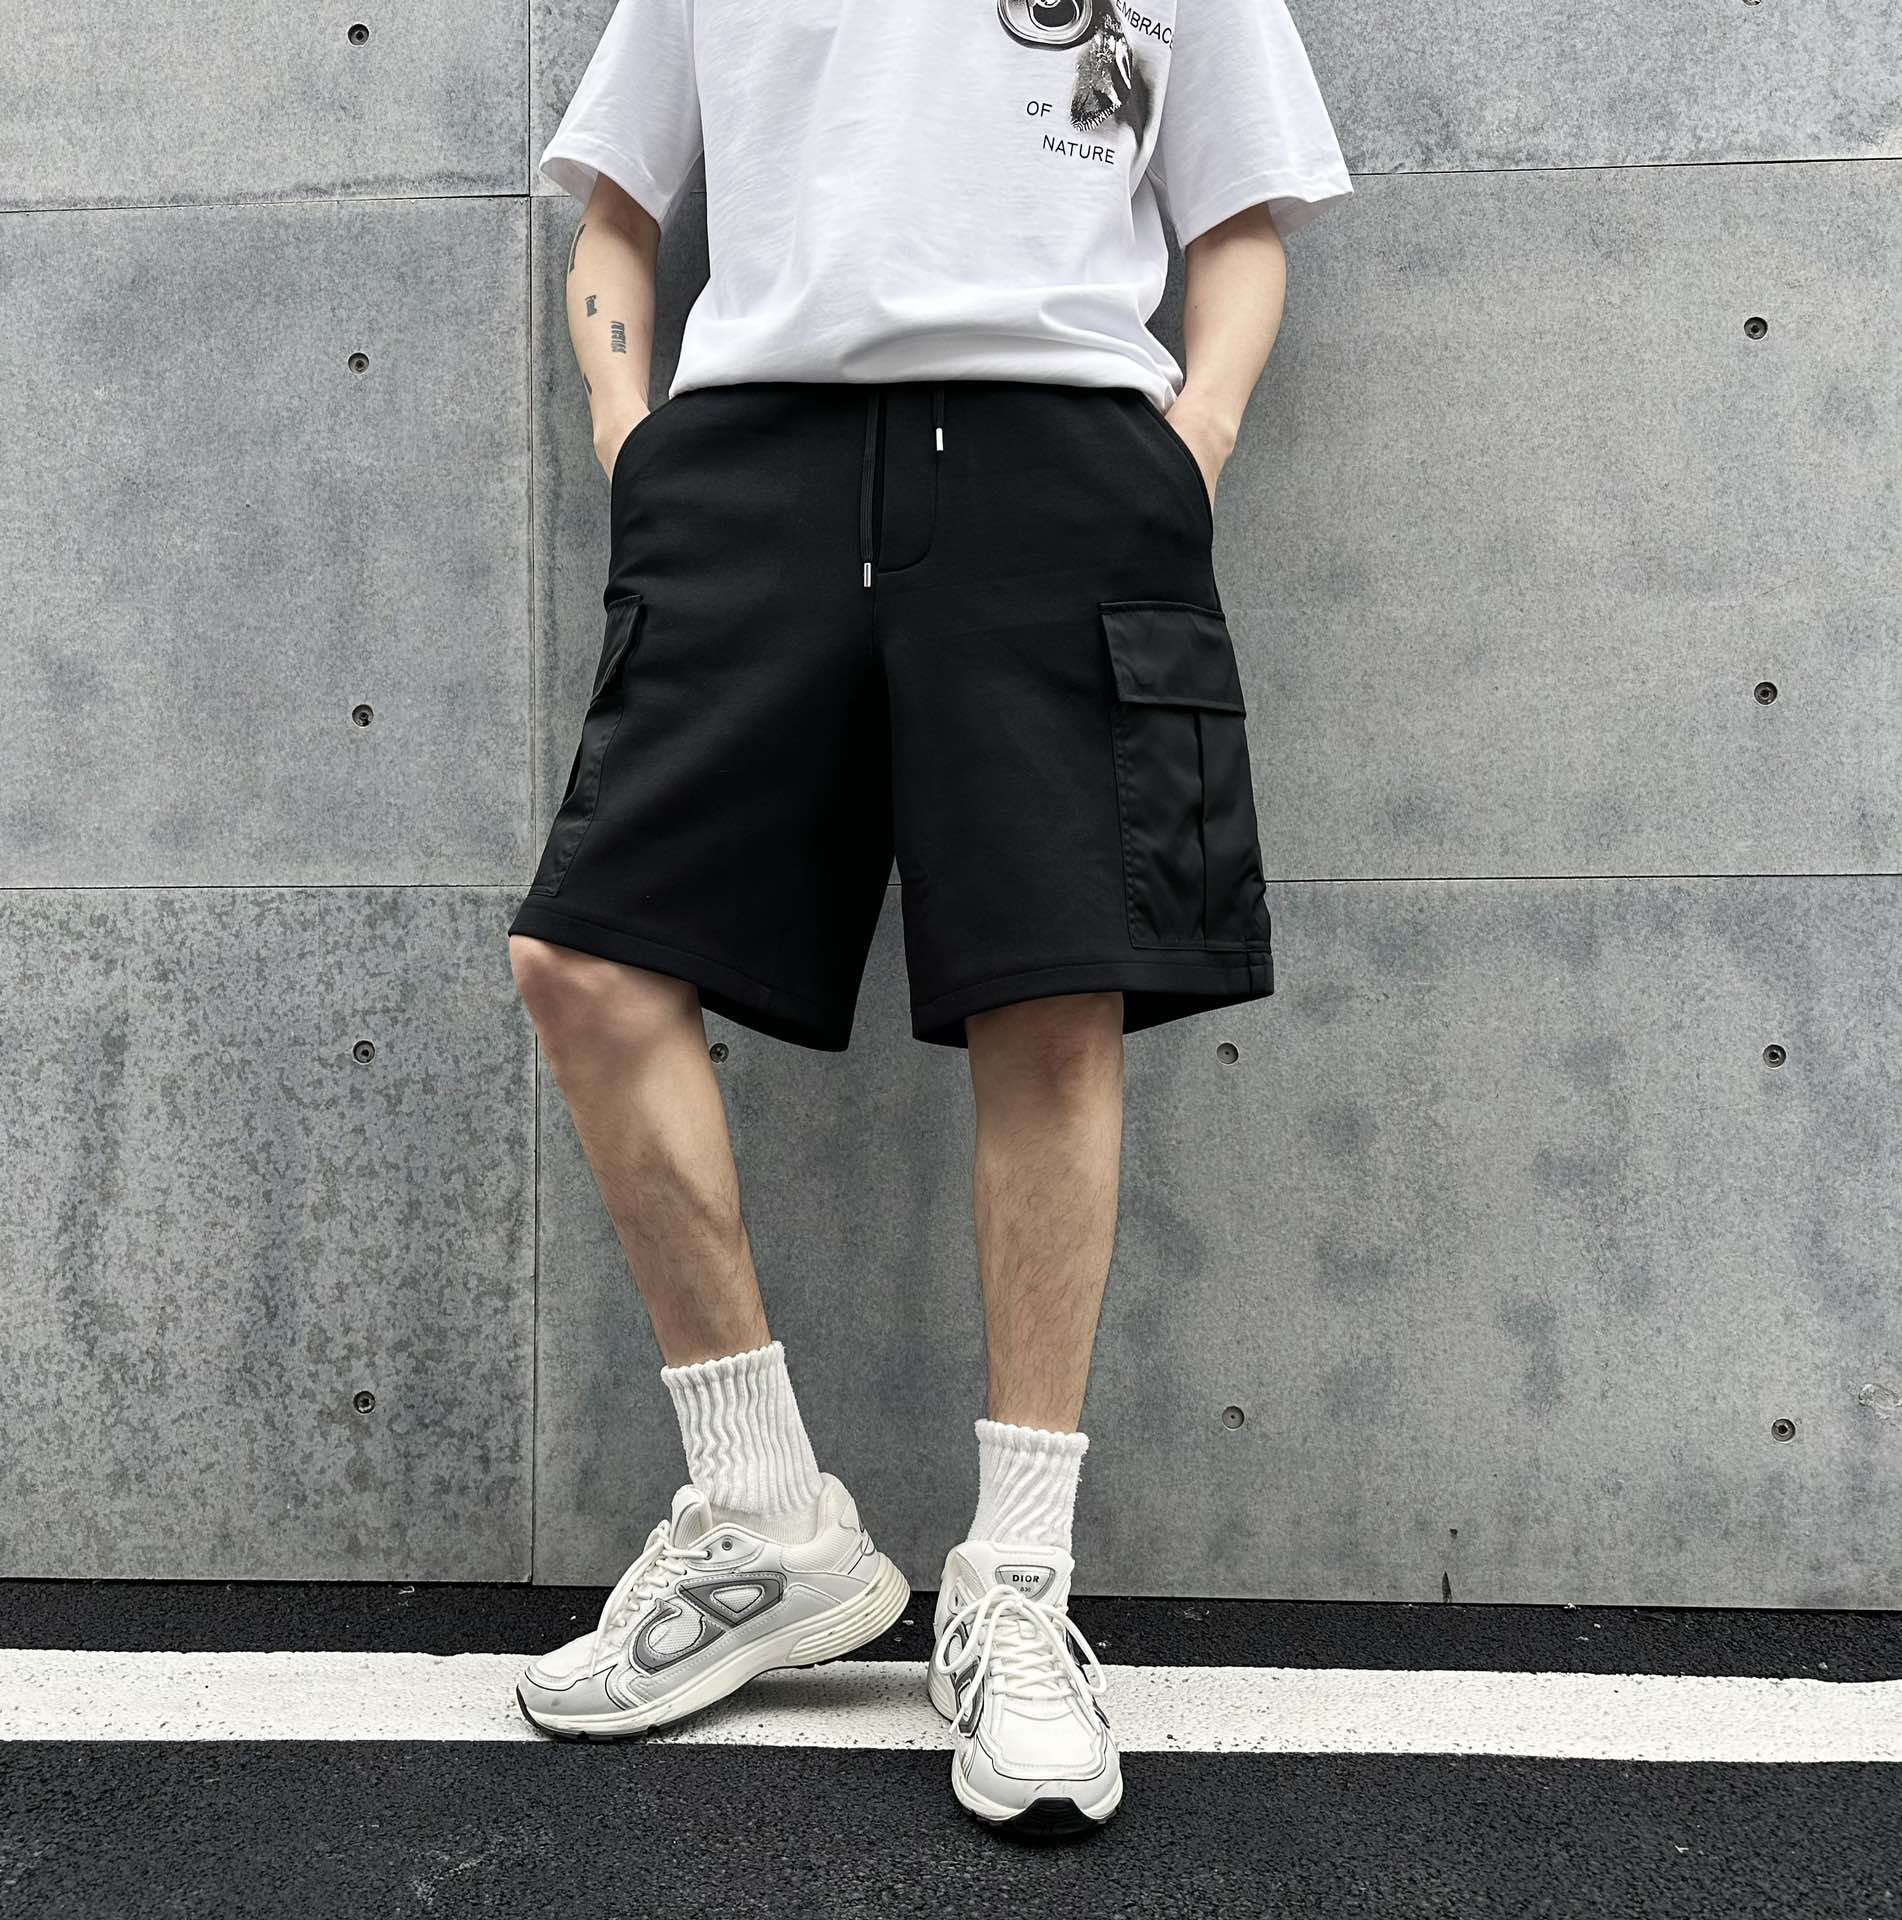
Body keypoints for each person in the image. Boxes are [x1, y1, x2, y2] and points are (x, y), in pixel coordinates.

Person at [505, 0, 1352, 1834]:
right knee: (584, 960)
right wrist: (633, 438)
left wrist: (1189, 444)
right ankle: (763, 1517)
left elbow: (1239, 223)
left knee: (1052, 996)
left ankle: (1017, 1585)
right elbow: (617, 211)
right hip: (748, 466)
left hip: (1065, 464)